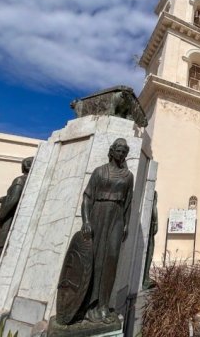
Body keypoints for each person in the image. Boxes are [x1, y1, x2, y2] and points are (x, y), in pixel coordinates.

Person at [81, 138, 134, 323]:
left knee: (111, 259)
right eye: (119, 151)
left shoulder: (128, 176)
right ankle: (89, 304)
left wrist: (126, 224)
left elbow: (128, 202)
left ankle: (104, 304)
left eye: (124, 152)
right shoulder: (99, 172)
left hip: (117, 217)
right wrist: (86, 220)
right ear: (112, 151)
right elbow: (87, 197)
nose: (121, 155)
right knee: (95, 258)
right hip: (98, 214)